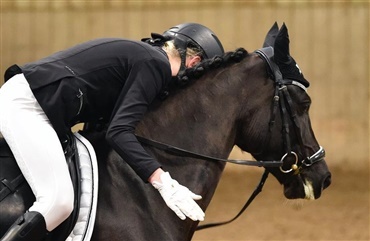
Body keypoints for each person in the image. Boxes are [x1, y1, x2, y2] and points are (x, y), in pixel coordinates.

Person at [0, 23, 224, 240]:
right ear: (194, 62)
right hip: (29, 105)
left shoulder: (145, 57)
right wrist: (164, 182)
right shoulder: (156, 65)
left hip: (33, 101)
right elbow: (118, 132)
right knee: (58, 202)